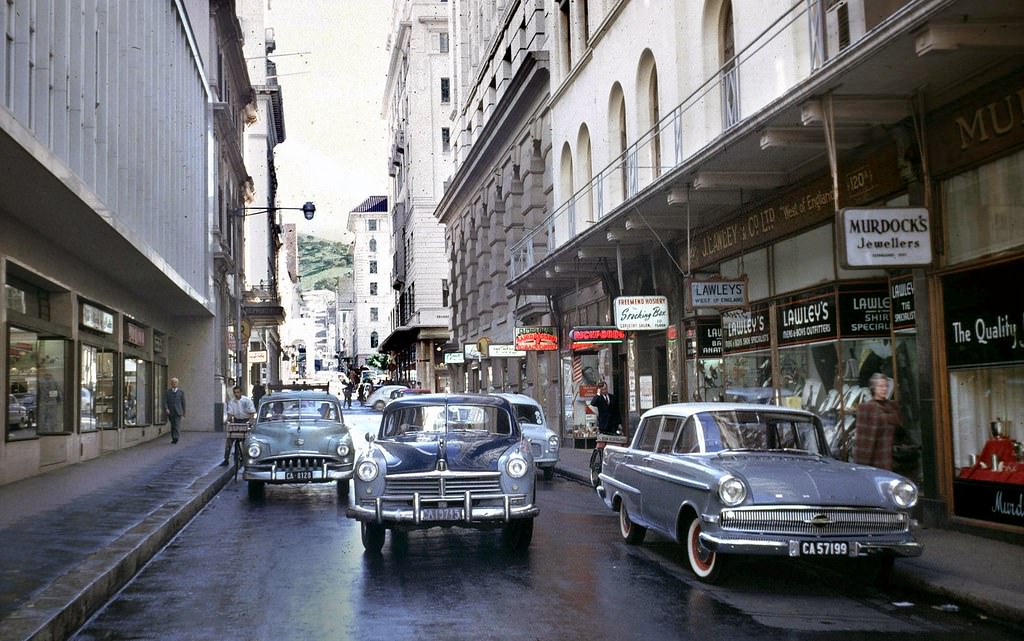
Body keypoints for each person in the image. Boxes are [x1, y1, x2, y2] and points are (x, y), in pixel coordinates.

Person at [853, 373, 901, 470]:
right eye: (880, 386)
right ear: (873, 388)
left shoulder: (891, 406)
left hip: (891, 457)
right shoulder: (867, 408)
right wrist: (862, 466)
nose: (884, 389)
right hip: (874, 460)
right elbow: (864, 440)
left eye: (886, 386)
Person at [222, 385, 256, 466]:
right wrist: (226, 421)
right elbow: (230, 414)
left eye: (238, 392)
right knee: (229, 440)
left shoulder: (247, 400)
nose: (236, 394)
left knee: (248, 441)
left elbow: (252, 412)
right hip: (237, 421)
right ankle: (226, 459)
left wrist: (250, 421)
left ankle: (249, 457)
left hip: (246, 421)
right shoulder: (232, 402)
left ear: (241, 392)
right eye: (235, 393)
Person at [164, 377, 186, 443]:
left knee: (177, 425)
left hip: (178, 412)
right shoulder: (168, 392)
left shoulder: (181, 392)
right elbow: (165, 401)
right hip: (171, 412)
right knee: (173, 425)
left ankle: (176, 437)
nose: (174, 384)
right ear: (171, 384)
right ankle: (173, 437)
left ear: (177, 383)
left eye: (175, 382)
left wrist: (184, 413)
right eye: (173, 382)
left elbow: (183, 403)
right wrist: (166, 408)